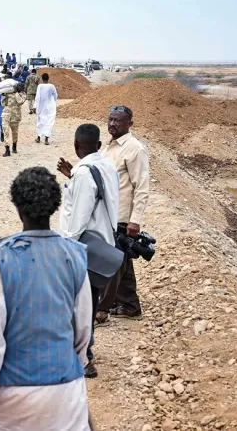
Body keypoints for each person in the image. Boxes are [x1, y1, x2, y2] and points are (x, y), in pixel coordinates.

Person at [0, 167, 93, 431]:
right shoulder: (76, 255)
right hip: (65, 389)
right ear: (55, 206)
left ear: (17, 207)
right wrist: (72, 366)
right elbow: (82, 330)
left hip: (13, 394)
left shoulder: (3, 258)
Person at [56, 124, 120, 379]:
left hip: (83, 248)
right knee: (88, 304)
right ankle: (83, 353)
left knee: (80, 306)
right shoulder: (106, 166)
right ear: (99, 143)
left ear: (75, 145)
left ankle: (85, 360)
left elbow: (79, 218)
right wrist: (72, 178)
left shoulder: (84, 173)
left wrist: (66, 247)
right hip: (101, 245)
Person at [97, 106, 150, 321]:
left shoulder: (135, 149)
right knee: (123, 262)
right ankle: (130, 306)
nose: (112, 124)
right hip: (107, 214)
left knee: (113, 262)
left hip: (122, 217)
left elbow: (142, 187)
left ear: (130, 124)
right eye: (110, 119)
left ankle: (101, 310)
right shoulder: (108, 148)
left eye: (118, 121)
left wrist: (134, 220)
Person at [0, 82, 26, 157]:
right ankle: (7, 149)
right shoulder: (8, 93)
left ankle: (14, 145)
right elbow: (3, 104)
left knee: (15, 132)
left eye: (21, 87)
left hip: (15, 116)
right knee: (6, 131)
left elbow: (20, 101)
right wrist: (3, 96)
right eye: (19, 87)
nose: (20, 88)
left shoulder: (22, 94)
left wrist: (16, 93)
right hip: (6, 114)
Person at [34, 73, 58, 145]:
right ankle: (46, 139)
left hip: (41, 106)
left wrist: (35, 106)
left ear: (42, 78)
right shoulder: (52, 86)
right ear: (48, 78)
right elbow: (55, 95)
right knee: (49, 121)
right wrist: (53, 102)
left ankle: (38, 137)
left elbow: (37, 96)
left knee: (40, 120)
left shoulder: (40, 86)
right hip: (50, 106)